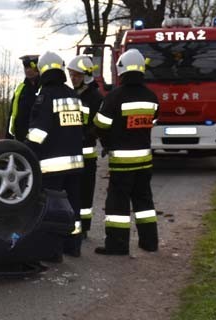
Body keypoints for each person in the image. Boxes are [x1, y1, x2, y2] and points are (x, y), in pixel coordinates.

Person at [93, 49, 159, 255]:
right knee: (144, 203)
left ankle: (117, 245)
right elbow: (153, 121)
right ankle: (150, 242)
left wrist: (105, 136)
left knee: (118, 206)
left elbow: (101, 124)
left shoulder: (115, 96)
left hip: (122, 162)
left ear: (121, 69)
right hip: (144, 160)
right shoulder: (151, 97)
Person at [24, 51, 85, 258]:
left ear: (43, 71)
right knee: (73, 206)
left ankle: (53, 250)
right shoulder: (73, 95)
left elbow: (39, 133)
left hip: (52, 166)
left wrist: (26, 149)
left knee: (52, 208)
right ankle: (73, 246)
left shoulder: (45, 96)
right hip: (75, 163)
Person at [67, 55, 104, 238]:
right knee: (71, 192)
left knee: (85, 193)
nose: (73, 79)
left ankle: (84, 227)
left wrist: (87, 135)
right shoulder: (69, 95)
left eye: (77, 75)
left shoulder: (95, 97)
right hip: (70, 153)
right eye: (71, 75)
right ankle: (72, 225)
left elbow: (99, 124)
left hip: (87, 154)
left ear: (86, 76)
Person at [6, 55, 40, 141]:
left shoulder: (45, 87)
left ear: (37, 67)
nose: (27, 70)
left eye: (30, 67)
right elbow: (13, 114)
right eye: (25, 67)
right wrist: (9, 136)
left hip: (40, 137)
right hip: (21, 137)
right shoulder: (20, 89)